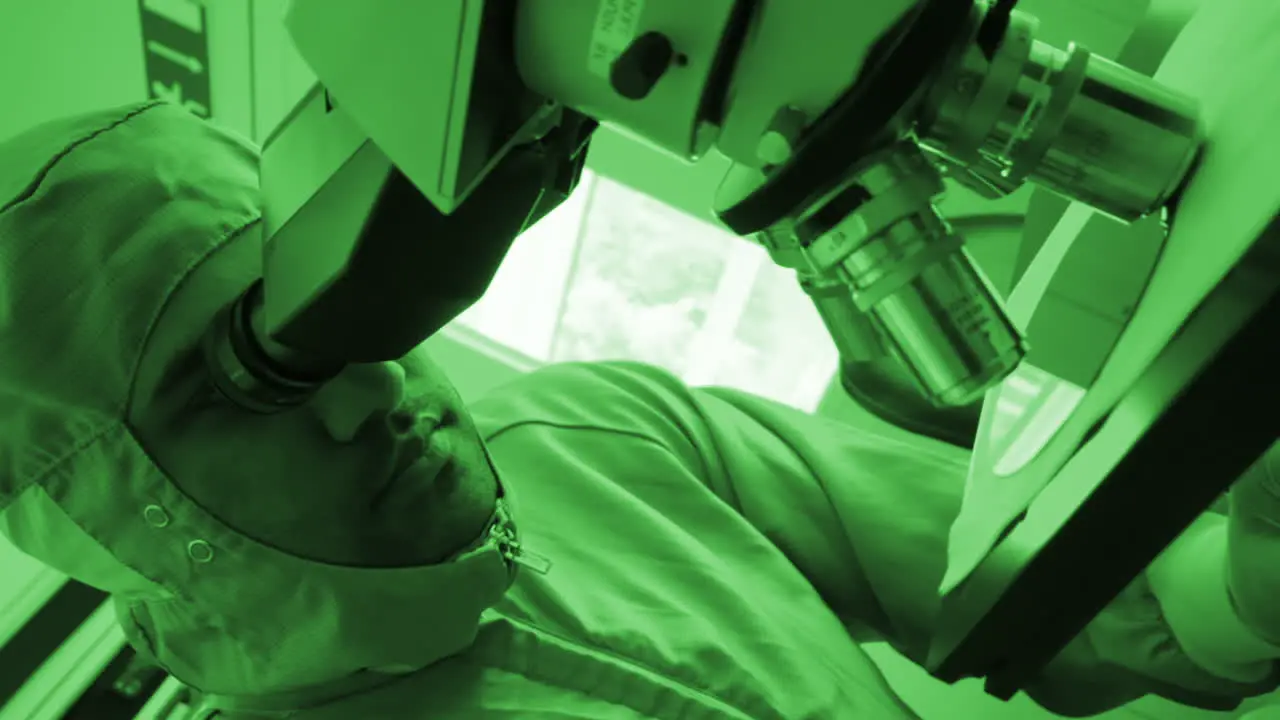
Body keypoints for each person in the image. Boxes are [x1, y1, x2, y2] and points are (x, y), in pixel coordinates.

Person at [0, 100, 1277, 718]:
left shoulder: (587, 434)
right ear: (132, 517)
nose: (374, 386)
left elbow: (1023, 589)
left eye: (337, 312)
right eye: (245, 387)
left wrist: (1251, 577)